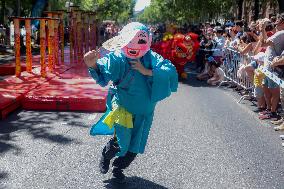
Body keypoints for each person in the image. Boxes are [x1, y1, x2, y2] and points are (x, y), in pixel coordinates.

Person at [83, 22, 178, 183]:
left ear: (147, 40)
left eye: (140, 41)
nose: (134, 45)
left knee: (134, 147)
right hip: (123, 108)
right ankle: (106, 156)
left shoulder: (151, 57)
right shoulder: (118, 57)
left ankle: (118, 168)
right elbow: (103, 70)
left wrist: (146, 70)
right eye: (129, 40)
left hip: (144, 112)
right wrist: (92, 64)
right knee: (122, 142)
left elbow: (169, 72)